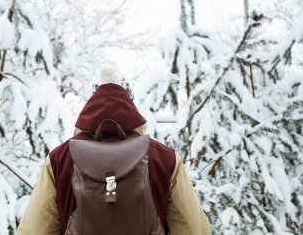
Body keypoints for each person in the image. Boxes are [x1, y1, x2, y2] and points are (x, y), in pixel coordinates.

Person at [18, 69, 211, 235]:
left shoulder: (59, 159)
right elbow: (192, 229)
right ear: (130, 102)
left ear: (90, 103)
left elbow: (35, 230)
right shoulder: (164, 159)